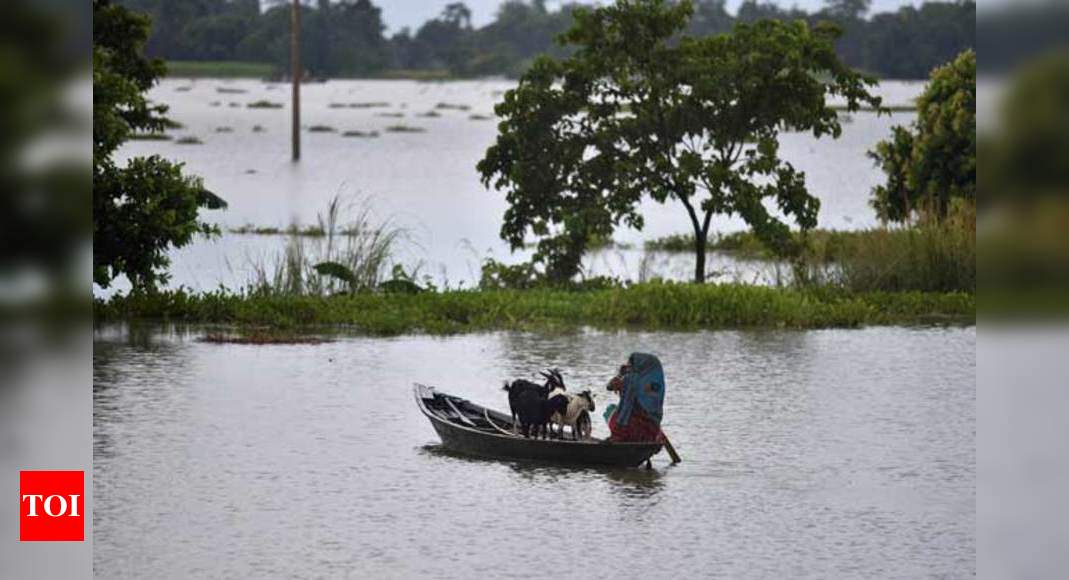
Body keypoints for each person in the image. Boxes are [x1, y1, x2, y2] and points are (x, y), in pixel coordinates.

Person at [604, 352, 665, 443]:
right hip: (652, 431)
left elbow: (610, 386)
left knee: (609, 410)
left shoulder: (631, 379)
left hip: (631, 430)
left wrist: (620, 375)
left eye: (631, 365)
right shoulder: (657, 381)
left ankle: (620, 435)